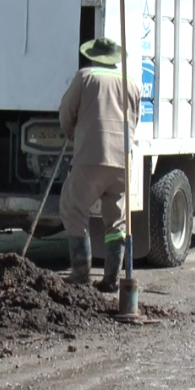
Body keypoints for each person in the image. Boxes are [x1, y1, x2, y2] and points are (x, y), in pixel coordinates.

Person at [58, 37, 140, 293]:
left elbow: (66, 112)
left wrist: (71, 132)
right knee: (116, 219)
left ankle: (81, 273)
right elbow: (135, 119)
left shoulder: (85, 77)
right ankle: (112, 277)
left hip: (91, 157)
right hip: (122, 160)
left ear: (94, 56)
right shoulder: (130, 83)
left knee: (73, 207)